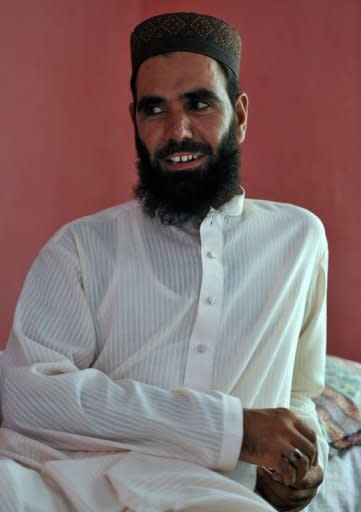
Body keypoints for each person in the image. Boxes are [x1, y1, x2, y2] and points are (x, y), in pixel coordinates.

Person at [0, 11, 328, 512]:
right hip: (53, 481)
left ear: (239, 115)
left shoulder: (298, 239)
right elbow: (27, 395)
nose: (178, 131)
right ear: (135, 121)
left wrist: (306, 463)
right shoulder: (81, 247)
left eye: (199, 104)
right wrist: (231, 431)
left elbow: (301, 392)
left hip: (209, 496)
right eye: (155, 110)